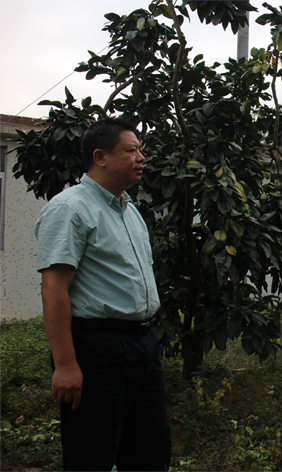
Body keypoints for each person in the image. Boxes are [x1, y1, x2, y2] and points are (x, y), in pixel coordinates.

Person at [35, 118, 171, 471]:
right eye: (131, 150)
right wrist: (65, 364)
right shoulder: (70, 209)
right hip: (98, 348)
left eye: (140, 150)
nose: (141, 157)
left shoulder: (130, 212)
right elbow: (54, 288)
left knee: (150, 451)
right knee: (92, 455)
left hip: (142, 344)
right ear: (100, 157)